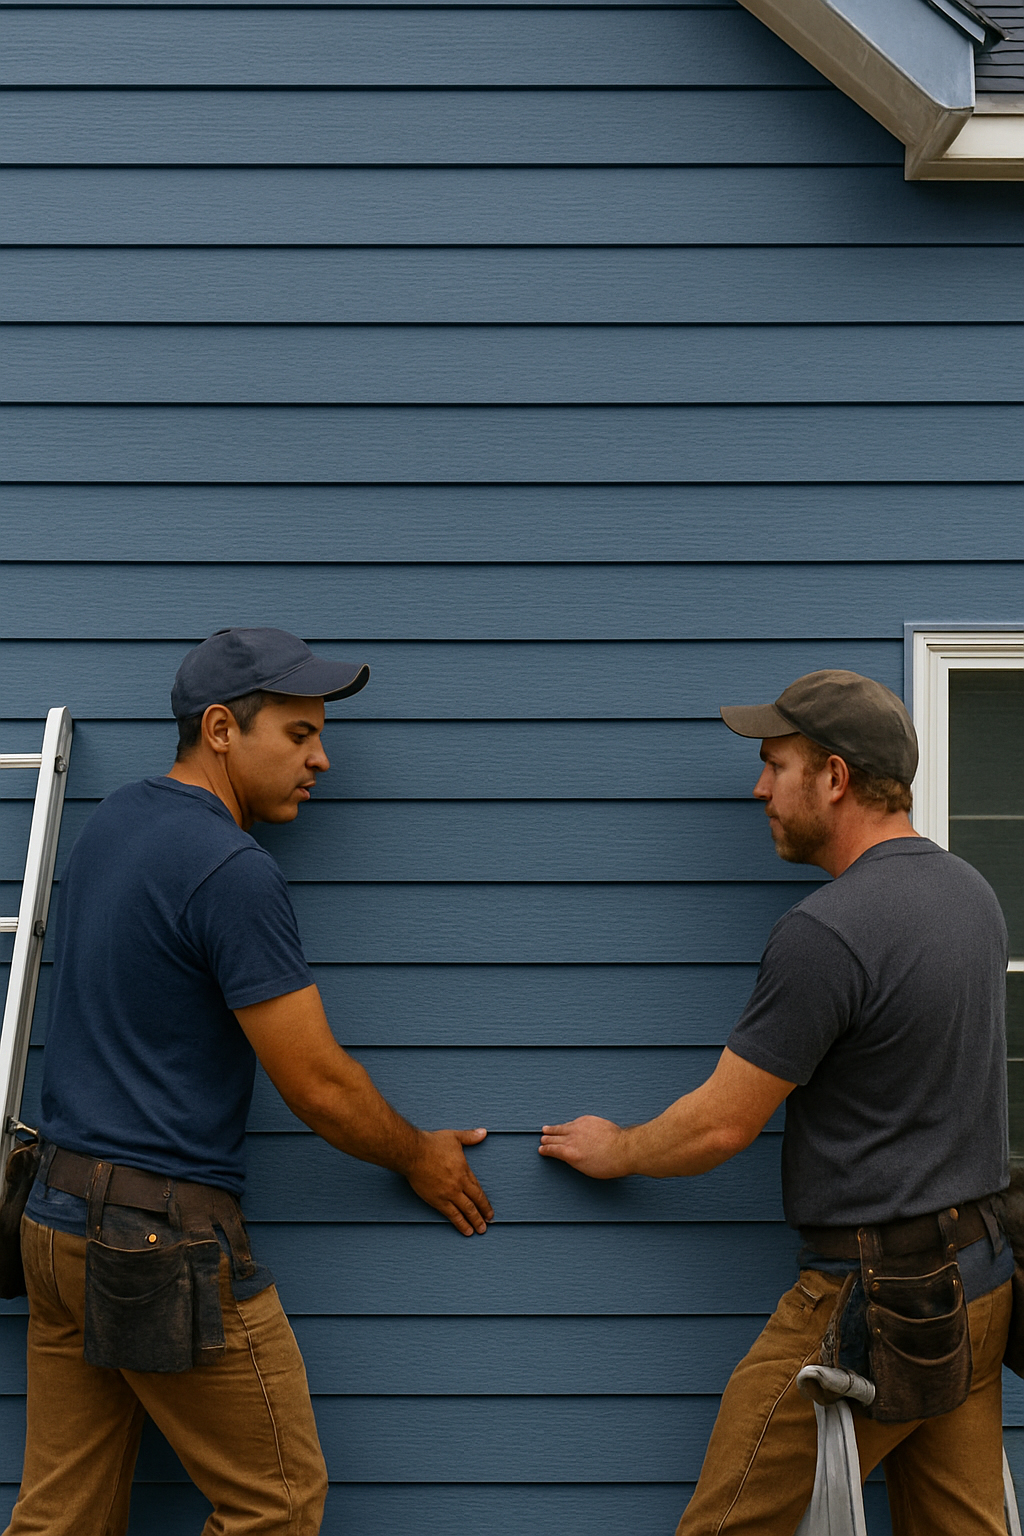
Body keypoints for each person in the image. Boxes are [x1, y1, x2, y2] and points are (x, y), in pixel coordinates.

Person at [6, 626, 494, 1536]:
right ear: (223, 729)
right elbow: (317, 1084)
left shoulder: (115, 820)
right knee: (275, 1502)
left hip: (59, 1225)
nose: (322, 758)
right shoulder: (232, 870)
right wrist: (419, 1156)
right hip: (157, 1241)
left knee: (60, 1516)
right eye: (299, 735)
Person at [539, 668, 1012, 1536]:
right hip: (976, 1283)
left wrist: (621, 1149)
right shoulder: (971, 897)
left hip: (869, 1299)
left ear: (833, 777)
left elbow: (723, 1122)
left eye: (775, 764)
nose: (758, 788)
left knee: (728, 1525)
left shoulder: (827, 932)